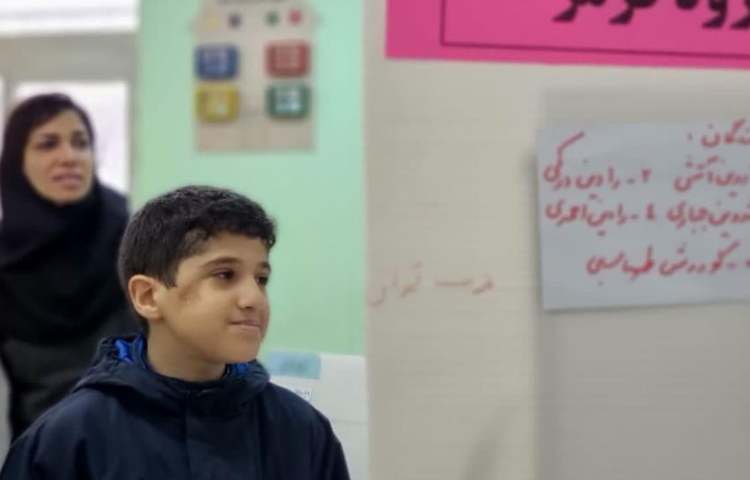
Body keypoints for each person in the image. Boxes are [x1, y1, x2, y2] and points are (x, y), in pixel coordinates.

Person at [0, 185, 351, 479]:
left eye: (261, 278)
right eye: (225, 275)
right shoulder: (67, 441)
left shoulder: (302, 431)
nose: (253, 298)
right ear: (148, 296)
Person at [0, 93, 134, 440]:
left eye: (80, 143)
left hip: (141, 444)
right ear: (16, 161)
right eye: (48, 144)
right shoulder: (6, 262)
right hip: (44, 449)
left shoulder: (133, 239)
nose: (69, 157)